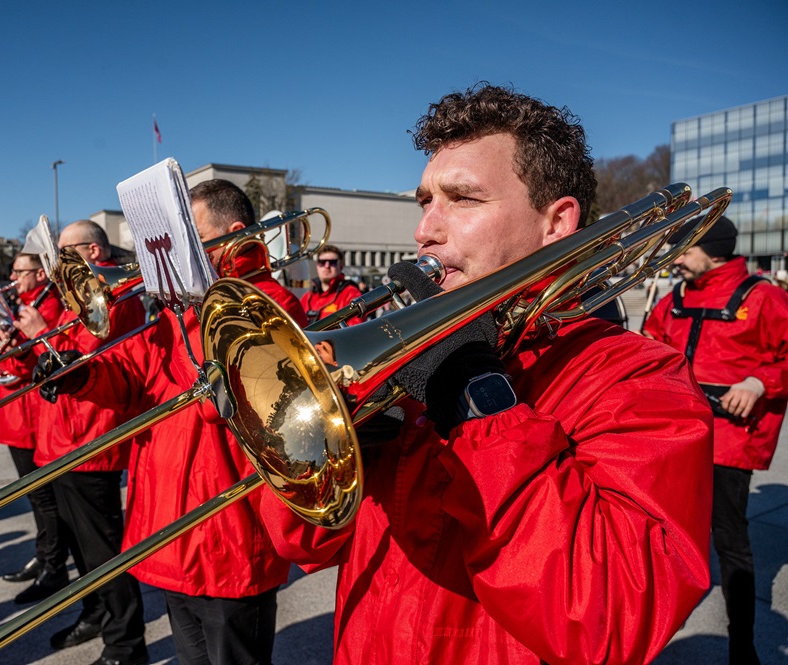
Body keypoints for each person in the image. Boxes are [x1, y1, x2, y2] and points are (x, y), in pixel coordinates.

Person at [260, 84, 714, 664]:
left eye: (463, 199)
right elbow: (307, 546)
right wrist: (317, 452)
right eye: (425, 201)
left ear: (556, 223)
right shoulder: (405, 357)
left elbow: (604, 623)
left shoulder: (641, 378)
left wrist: (479, 402)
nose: (425, 228)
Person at [39, 179, 304, 665]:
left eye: (186, 238)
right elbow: (132, 379)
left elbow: (220, 400)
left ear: (232, 234)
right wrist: (79, 375)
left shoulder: (270, 305)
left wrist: (198, 307)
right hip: (169, 529)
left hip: (228, 535)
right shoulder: (176, 312)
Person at [643, 216, 788, 664]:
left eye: (685, 249)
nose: (677, 258)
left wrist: (757, 384)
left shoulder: (764, 298)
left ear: (716, 251)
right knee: (655, 534)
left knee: (729, 540)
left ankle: (742, 647)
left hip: (727, 440)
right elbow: (651, 342)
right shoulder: (674, 299)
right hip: (676, 437)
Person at [16, 219, 149, 665]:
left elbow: (83, 356)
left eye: (65, 249)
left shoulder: (114, 290)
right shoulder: (78, 290)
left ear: (93, 251)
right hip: (63, 436)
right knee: (80, 545)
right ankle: (95, 612)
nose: (56, 259)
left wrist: (38, 334)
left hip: (90, 436)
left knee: (103, 551)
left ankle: (125, 645)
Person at [0, 252, 71, 605]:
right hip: (14, 415)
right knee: (35, 497)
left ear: (40, 273)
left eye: (19, 271)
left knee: (43, 498)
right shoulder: (21, 305)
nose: (12, 275)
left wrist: (10, 347)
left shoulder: (46, 309)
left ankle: (54, 567)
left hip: (30, 416)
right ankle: (44, 556)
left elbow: (34, 364)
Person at [300, 244, 364, 325]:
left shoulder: (351, 294)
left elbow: (355, 329)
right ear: (317, 266)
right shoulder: (307, 297)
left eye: (332, 262)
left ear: (340, 266)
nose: (327, 266)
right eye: (322, 262)